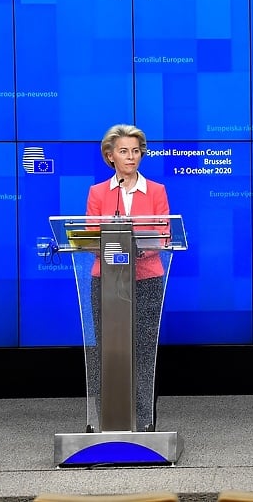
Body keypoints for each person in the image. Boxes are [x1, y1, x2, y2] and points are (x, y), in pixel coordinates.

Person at [86, 123, 170, 432]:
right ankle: (108, 422)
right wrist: (116, 248)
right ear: (110, 156)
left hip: (147, 279)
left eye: (136, 151)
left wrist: (134, 251)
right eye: (124, 151)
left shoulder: (157, 191)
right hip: (106, 281)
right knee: (109, 351)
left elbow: (163, 234)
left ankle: (144, 423)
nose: (131, 157)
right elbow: (91, 237)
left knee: (144, 351)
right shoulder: (97, 193)